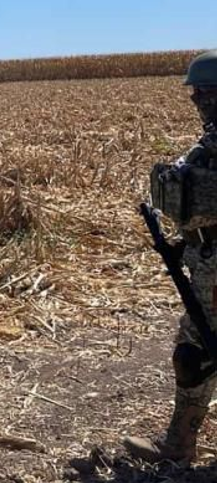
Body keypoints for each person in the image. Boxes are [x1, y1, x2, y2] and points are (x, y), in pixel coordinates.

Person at [124, 50, 217, 465]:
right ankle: (180, 445)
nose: (196, 99)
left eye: (202, 92)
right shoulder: (207, 146)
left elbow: (197, 201)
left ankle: (179, 447)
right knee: (195, 351)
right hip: (205, 260)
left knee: (194, 351)